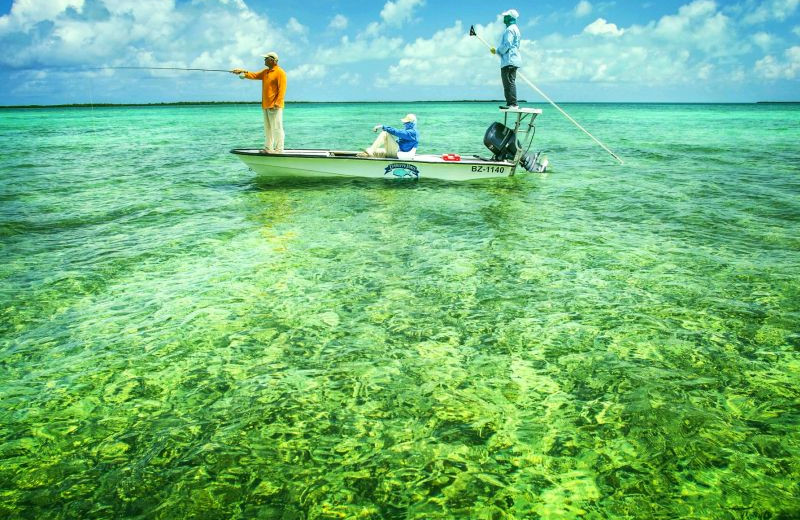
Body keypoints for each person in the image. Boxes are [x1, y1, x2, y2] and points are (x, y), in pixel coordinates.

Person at [231, 52, 287, 153]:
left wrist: (277, 103)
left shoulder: (280, 72)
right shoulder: (265, 72)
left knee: (277, 128)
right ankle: (268, 149)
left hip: (275, 106)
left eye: (266, 58)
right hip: (265, 105)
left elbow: (282, 89)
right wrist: (241, 71)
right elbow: (254, 75)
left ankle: (279, 150)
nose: (264, 60)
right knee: (268, 129)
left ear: (272, 60)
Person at [491, 9, 521, 109]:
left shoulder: (510, 29)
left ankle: (513, 104)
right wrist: (498, 51)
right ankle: (510, 103)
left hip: (509, 61)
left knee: (508, 83)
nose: (504, 17)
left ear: (511, 18)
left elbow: (507, 44)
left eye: (506, 16)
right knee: (509, 82)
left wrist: (498, 50)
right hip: (512, 59)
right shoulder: (515, 29)